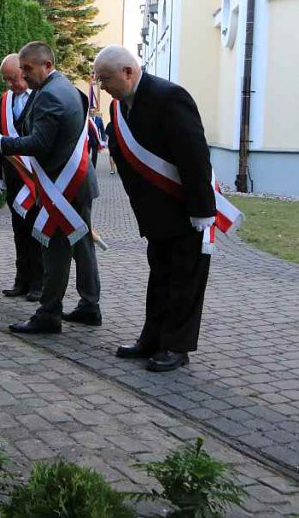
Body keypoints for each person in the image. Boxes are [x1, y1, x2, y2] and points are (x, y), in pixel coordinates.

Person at [93, 45, 215, 372]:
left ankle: (176, 345)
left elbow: (194, 155)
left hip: (186, 212)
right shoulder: (122, 107)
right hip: (156, 217)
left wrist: (203, 209)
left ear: (128, 72)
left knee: (184, 281)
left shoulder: (170, 97)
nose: (102, 87)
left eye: (105, 79)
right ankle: (152, 337)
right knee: (159, 278)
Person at [0, 42, 102, 334]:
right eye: (21, 69)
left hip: (65, 185)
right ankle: (89, 305)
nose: (24, 74)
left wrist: (1, 143)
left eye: (27, 69)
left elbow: (38, 143)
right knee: (81, 245)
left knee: (56, 246)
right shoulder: (65, 87)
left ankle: (49, 314)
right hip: (76, 181)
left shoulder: (49, 96)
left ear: (46, 65)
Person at [0, 54, 44, 301]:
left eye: (16, 78)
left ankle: (39, 284)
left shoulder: (42, 99)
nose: (13, 84)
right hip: (13, 178)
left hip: (36, 179)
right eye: (8, 80)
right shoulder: (4, 102)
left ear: (25, 72)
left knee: (37, 231)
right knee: (19, 231)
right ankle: (21, 280)